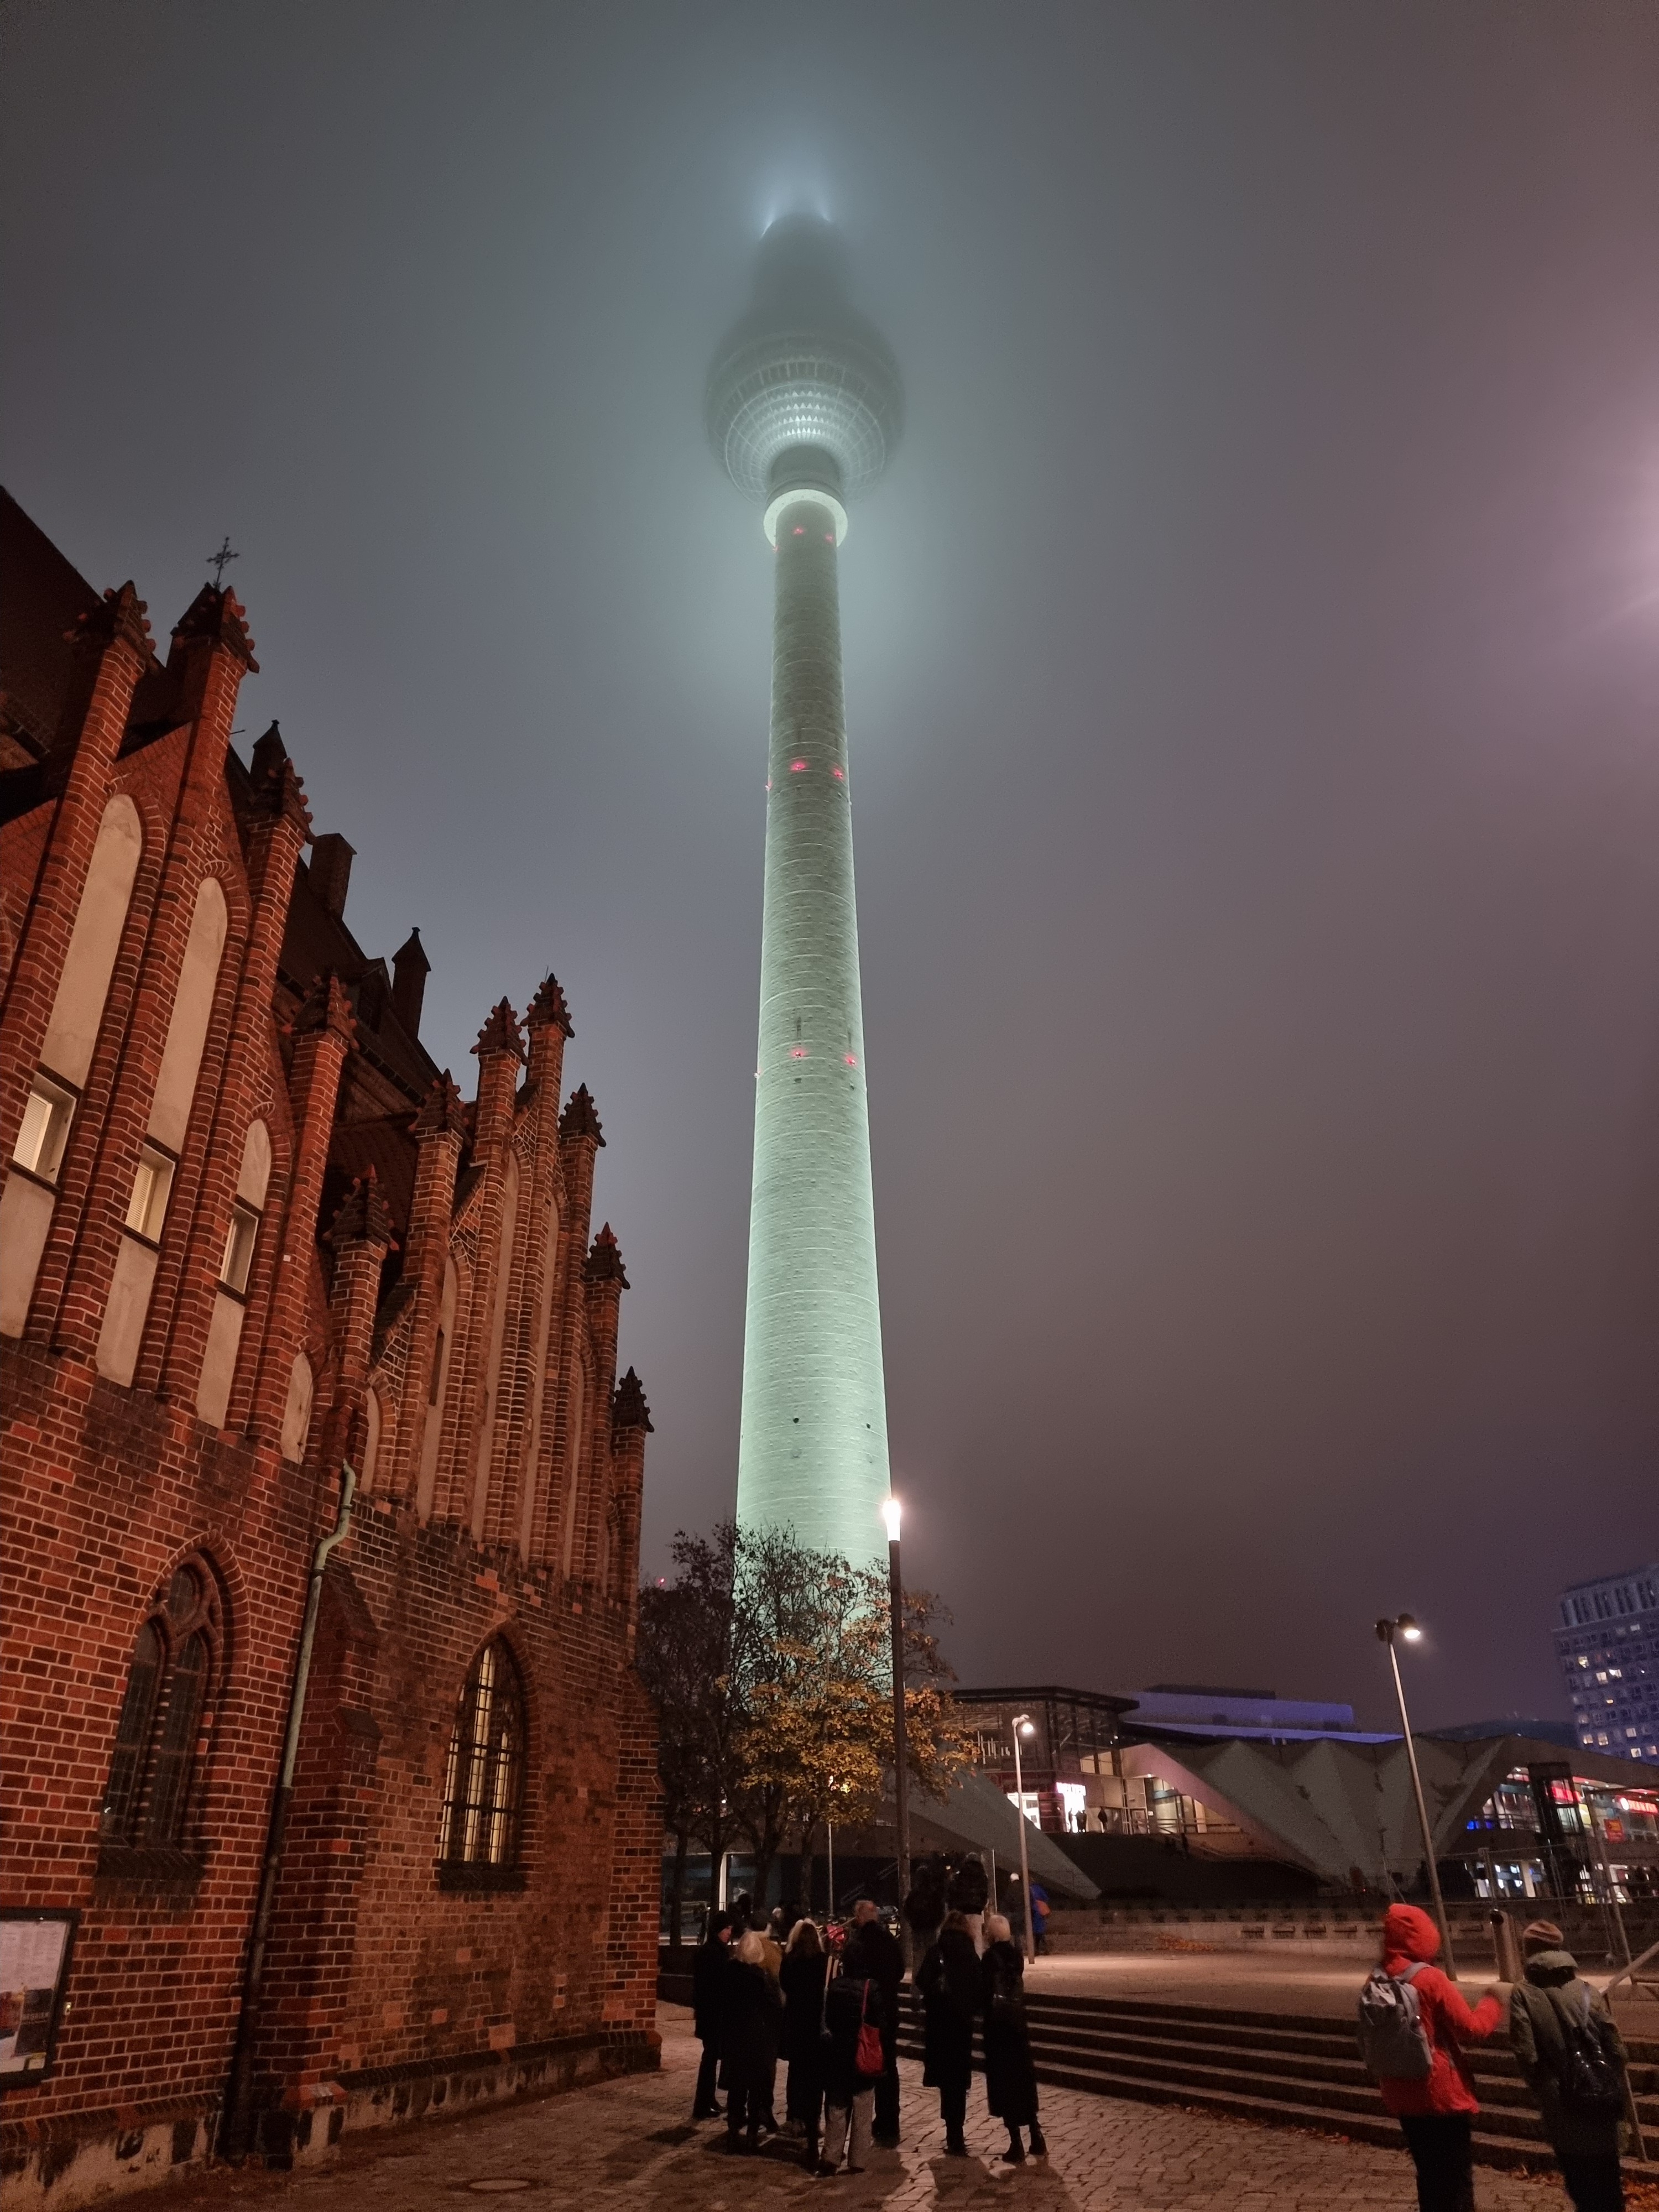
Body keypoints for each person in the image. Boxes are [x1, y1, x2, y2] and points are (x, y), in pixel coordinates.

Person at [1369, 1902, 1506, 2212]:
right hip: (1439, 2093)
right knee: (1456, 2181)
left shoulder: (1377, 1977)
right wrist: (1492, 2004)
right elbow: (1471, 2029)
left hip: (1400, 2090)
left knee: (1429, 2175)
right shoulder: (1429, 1979)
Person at [1509, 1919, 1630, 2212]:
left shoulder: (1523, 1994)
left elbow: (1527, 2054)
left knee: (1581, 2186)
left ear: (1528, 1952)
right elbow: (1617, 2048)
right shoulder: (1587, 1990)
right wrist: (1605, 2079)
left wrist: (1544, 2090)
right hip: (1602, 2105)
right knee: (1609, 2188)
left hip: (1563, 2104)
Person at [819, 1925, 888, 2174]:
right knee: (862, 2106)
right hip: (862, 2052)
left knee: (837, 2106)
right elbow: (880, 2021)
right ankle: (858, 2158)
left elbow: (828, 2019)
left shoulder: (835, 1987)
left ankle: (831, 2156)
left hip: (838, 2052)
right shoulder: (872, 1989)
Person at [980, 1913, 1046, 2161]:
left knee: (1005, 2083)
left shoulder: (989, 1959)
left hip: (998, 2029)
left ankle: (1016, 2143)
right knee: (1023, 2081)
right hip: (1018, 2024)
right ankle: (1036, 2135)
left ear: (992, 1935)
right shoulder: (1016, 1956)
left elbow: (984, 1992)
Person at [917, 1908, 980, 2156]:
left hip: (939, 2023)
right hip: (961, 2024)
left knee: (946, 2079)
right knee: (959, 2077)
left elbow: (922, 1980)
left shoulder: (937, 1951)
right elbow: (978, 1986)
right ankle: (958, 2130)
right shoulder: (970, 1954)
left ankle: (951, 2128)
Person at [721, 1929, 783, 2154]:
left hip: (735, 2037)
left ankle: (732, 2131)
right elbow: (774, 2006)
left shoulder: (728, 1974)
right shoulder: (759, 1978)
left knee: (737, 2087)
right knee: (756, 2088)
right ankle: (752, 2135)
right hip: (756, 2039)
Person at [851, 1898, 905, 2145]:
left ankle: (867, 2122)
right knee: (889, 2067)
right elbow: (900, 1970)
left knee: (864, 2064)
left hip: (867, 2014)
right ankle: (890, 2120)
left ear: (861, 1917)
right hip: (889, 2010)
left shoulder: (859, 1943)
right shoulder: (889, 1942)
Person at [780, 1917, 830, 2166]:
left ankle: (796, 2117)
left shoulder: (790, 1961)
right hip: (817, 2027)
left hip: (796, 2024)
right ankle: (814, 2122)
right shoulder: (824, 1963)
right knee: (817, 2078)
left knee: (796, 2072)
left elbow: (785, 1986)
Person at [690, 1908, 733, 2120]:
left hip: (711, 2013)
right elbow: (713, 1986)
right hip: (713, 2014)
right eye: (726, 1929)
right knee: (710, 2058)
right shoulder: (714, 1954)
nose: (729, 1933)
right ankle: (703, 2102)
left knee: (711, 2057)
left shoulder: (713, 1951)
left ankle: (708, 2098)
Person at [1027, 1880, 1051, 1955]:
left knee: (1037, 1932)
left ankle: (1038, 1949)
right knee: (1040, 1931)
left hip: (1033, 1912)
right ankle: (1043, 1948)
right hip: (1040, 1912)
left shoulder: (1029, 1889)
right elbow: (1046, 1898)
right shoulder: (1038, 1888)